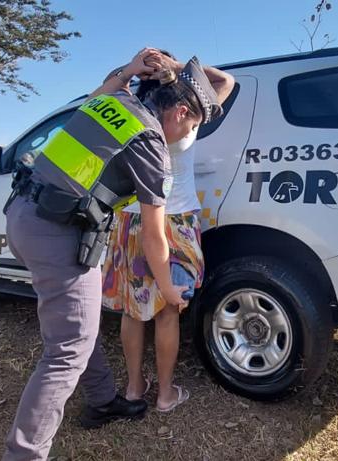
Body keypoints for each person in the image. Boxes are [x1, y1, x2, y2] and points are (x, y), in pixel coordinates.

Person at [1, 48, 224, 461]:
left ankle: (103, 399)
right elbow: (156, 239)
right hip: (57, 233)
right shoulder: (152, 144)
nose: (187, 133)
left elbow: (95, 95)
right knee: (67, 350)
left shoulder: (115, 100)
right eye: (191, 124)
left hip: (22, 214)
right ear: (177, 112)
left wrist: (128, 69)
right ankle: (24, 454)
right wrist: (169, 292)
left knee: (77, 322)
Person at [102, 52, 235, 412]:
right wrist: (180, 68)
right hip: (177, 222)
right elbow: (227, 82)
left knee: (132, 311)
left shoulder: (133, 114)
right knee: (167, 311)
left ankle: (133, 388)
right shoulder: (187, 115)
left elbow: (99, 97)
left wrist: (129, 68)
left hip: (131, 221)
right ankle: (164, 394)